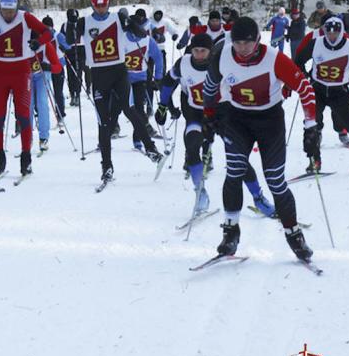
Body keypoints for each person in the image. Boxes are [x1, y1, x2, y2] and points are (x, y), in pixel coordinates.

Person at [202, 16, 318, 261]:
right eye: (238, 43)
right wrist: (209, 116)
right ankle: (230, 232)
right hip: (237, 119)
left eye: (248, 43)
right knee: (234, 170)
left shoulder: (273, 58)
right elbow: (210, 87)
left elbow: (305, 88)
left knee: (275, 180)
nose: (242, 48)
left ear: (258, 40)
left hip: (270, 120)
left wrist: (311, 127)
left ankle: (293, 234)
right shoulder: (222, 55)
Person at [156, 32, 276, 216]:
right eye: (195, 50)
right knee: (192, 148)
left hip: (222, 114)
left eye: (203, 51)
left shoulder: (221, 63)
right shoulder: (184, 63)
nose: (199, 54)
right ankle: (200, 193)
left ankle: (258, 197)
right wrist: (163, 105)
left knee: (238, 158)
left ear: (210, 51)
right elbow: (168, 81)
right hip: (196, 114)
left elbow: (243, 81)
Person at [75, 0, 164, 182]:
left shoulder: (117, 18)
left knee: (130, 110)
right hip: (98, 74)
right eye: (97, 6)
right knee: (103, 121)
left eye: (104, 5)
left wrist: (132, 23)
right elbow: (70, 41)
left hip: (118, 72)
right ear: (92, 5)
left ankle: (152, 150)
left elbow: (140, 33)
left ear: (108, 3)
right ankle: (107, 167)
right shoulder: (85, 22)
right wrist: (75, 30)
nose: (101, 9)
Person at [0, 0, 53, 177]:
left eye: (12, 12)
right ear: (0, 8)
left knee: (23, 117)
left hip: (21, 72)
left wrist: (38, 42)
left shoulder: (25, 17)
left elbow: (48, 32)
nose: (8, 15)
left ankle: (26, 158)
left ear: (16, 8)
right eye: (5, 11)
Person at [294, 16, 349, 171]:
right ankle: (314, 161)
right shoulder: (316, 43)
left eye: (335, 33)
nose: (331, 36)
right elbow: (298, 59)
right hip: (317, 89)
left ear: (341, 32)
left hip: (339, 92)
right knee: (311, 126)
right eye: (328, 32)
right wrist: (303, 75)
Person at [124, 14, 163, 149]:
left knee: (139, 110)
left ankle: (137, 139)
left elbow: (158, 58)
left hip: (139, 80)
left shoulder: (148, 40)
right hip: (122, 81)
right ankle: (107, 137)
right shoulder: (122, 38)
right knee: (115, 109)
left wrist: (158, 77)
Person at [31, 24, 63, 151]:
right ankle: (27, 137)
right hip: (27, 77)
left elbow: (58, 67)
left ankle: (43, 137)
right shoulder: (21, 46)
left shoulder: (46, 46)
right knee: (27, 105)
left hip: (42, 75)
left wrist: (48, 67)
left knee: (42, 102)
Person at [58, 8, 84, 106]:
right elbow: (61, 37)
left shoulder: (80, 23)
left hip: (80, 49)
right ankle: (72, 94)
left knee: (78, 73)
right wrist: (62, 47)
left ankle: (77, 94)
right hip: (69, 50)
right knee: (70, 74)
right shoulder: (64, 25)